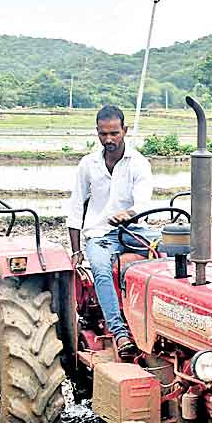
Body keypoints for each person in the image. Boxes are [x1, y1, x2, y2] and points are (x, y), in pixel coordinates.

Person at [66, 105, 157, 359]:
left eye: (114, 133)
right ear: (97, 132)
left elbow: (143, 201)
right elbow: (76, 207)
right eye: (103, 134)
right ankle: (120, 332)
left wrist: (129, 214)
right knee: (100, 269)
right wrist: (76, 251)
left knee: (172, 250)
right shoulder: (88, 164)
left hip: (133, 229)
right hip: (100, 235)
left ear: (124, 131)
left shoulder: (138, 163)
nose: (109, 139)